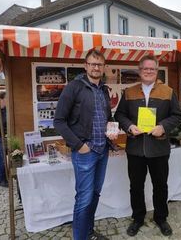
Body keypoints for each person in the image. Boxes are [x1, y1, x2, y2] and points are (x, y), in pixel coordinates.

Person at [114, 54, 181, 237]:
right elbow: (119, 115)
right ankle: (138, 218)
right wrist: (129, 126)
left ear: (156, 70)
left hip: (159, 148)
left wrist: (163, 127)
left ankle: (161, 217)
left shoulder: (168, 92)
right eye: (145, 68)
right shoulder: (129, 92)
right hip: (135, 149)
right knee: (136, 186)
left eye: (152, 69)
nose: (149, 71)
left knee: (160, 185)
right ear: (140, 71)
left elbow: (177, 116)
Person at [54, 50, 118, 240]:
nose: (96, 67)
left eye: (99, 64)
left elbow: (106, 117)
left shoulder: (104, 90)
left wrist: (112, 129)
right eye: (92, 64)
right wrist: (79, 145)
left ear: (104, 67)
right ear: (86, 65)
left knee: (95, 193)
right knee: (84, 198)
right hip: (85, 152)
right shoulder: (74, 87)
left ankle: (88, 232)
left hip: (102, 150)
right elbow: (59, 121)